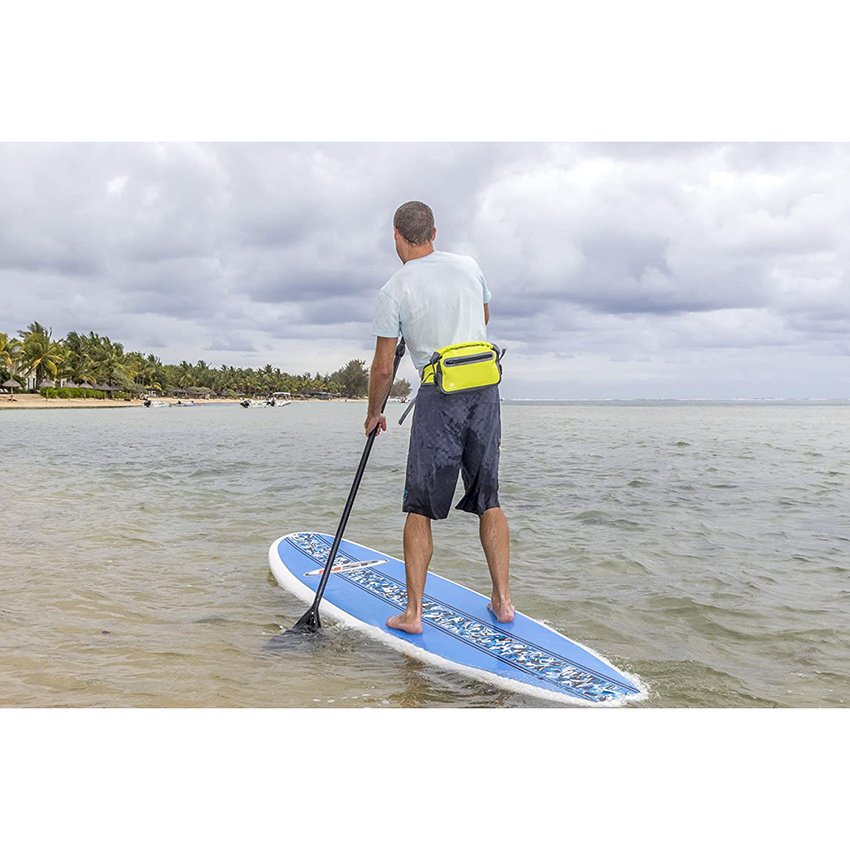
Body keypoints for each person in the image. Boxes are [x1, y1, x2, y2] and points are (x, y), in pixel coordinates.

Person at [365, 200, 515, 635]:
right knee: (489, 498)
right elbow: (482, 318)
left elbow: (380, 367)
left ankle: (413, 615)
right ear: (435, 232)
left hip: (440, 395)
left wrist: (375, 413)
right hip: (485, 390)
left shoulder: (394, 289)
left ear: (396, 236)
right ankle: (503, 601)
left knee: (420, 508)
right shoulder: (470, 266)